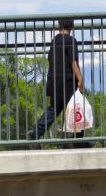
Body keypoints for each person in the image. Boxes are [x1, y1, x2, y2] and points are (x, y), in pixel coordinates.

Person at [25, 18, 89, 146]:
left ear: (59, 26)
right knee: (77, 108)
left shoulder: (54, 41)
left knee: (54, 109)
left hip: (54, 81)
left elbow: (50, 61)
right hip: (68, 81)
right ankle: (79, 140)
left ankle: (35, 132)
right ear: (72, 26)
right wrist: (80, 79)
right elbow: (73, 63)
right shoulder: (71, 41)